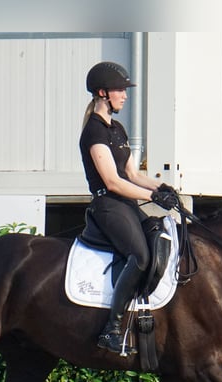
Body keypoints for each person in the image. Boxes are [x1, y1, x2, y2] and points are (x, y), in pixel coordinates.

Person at [79, 61, 179, 355]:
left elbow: (132, 175)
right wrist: (153, 198)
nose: (124, 95)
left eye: (124, 90)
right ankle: (111, 329)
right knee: (140, 256)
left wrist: (161, 189)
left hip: (127, 203)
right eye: (120, 90)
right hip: (108, 205)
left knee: (160, 235)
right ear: (102, 93)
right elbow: (112, 182)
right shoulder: (93, 133)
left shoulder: (118, 129)